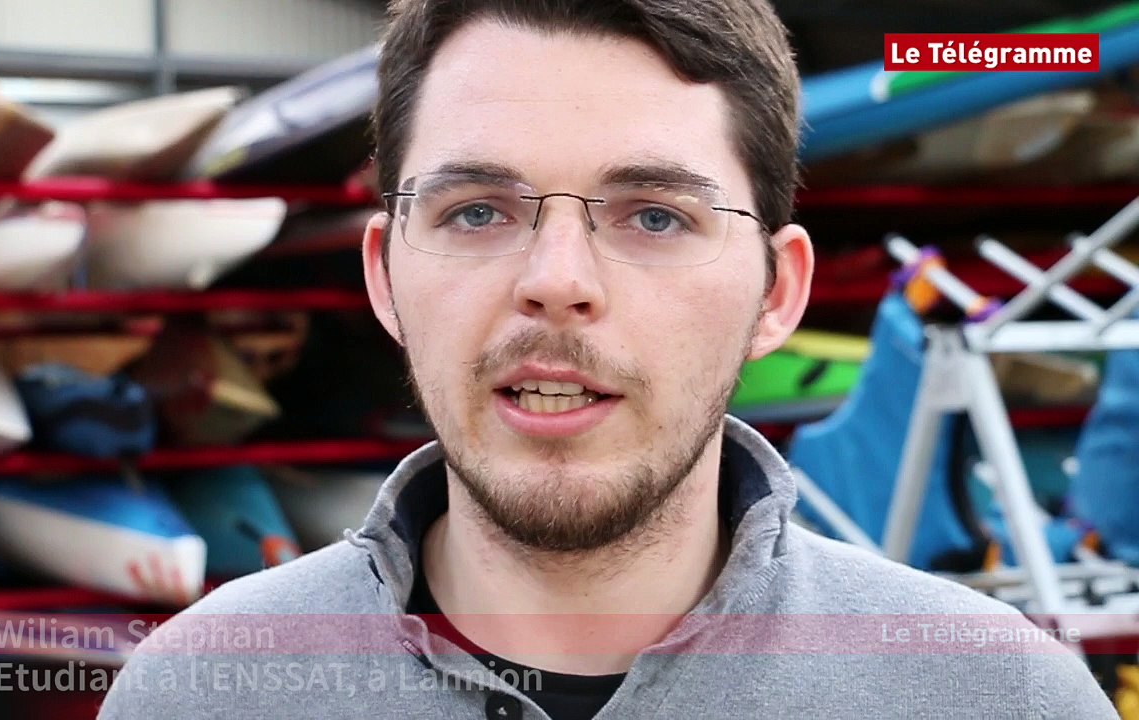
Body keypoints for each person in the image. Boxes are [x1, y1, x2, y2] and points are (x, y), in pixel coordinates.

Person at [99, 1, 1116, 717]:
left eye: (655, 215)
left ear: (775, 292)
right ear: (383, 277)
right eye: (477, 210)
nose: (555, 279)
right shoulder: (195, 689)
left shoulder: (998, 697)